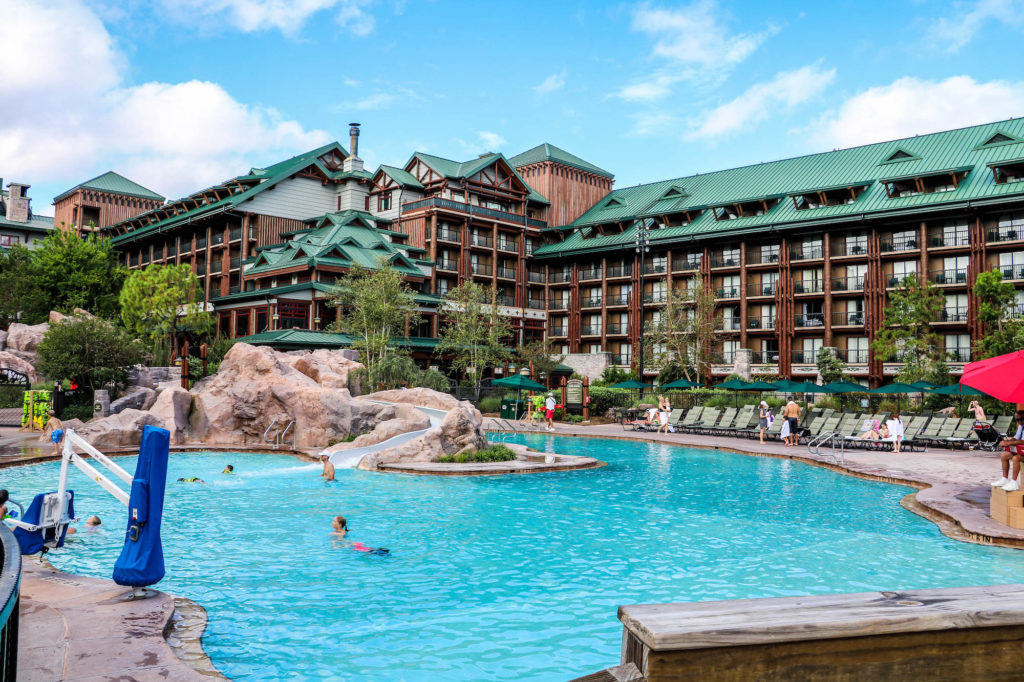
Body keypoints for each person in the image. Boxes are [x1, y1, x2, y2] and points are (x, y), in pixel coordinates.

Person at [993, 410, 1024, 491]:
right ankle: (1005, 479)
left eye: (1022, 419)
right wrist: (1006, 441)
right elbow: (1016, 438)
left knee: (1016, 458)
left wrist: (1009, 443)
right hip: (1022, 451)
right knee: (1004, 456)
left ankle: (1014, 482)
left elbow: (1022, 441)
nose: (1020, 421)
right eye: (1017, 420)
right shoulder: (1021, 426)